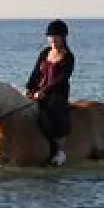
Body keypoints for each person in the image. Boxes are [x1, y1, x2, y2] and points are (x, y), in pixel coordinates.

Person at [25, 19, 75, 166]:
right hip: (38, 91)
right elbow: (35, 73)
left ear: (63, 37)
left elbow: (61, 79)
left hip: (57, 94)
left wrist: (44, 92)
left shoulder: (68, 57)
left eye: (56, 36)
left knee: (53, 109)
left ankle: (60, 151)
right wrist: (29, 88)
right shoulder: (44, 53)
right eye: (50, 36)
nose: (52, 39)